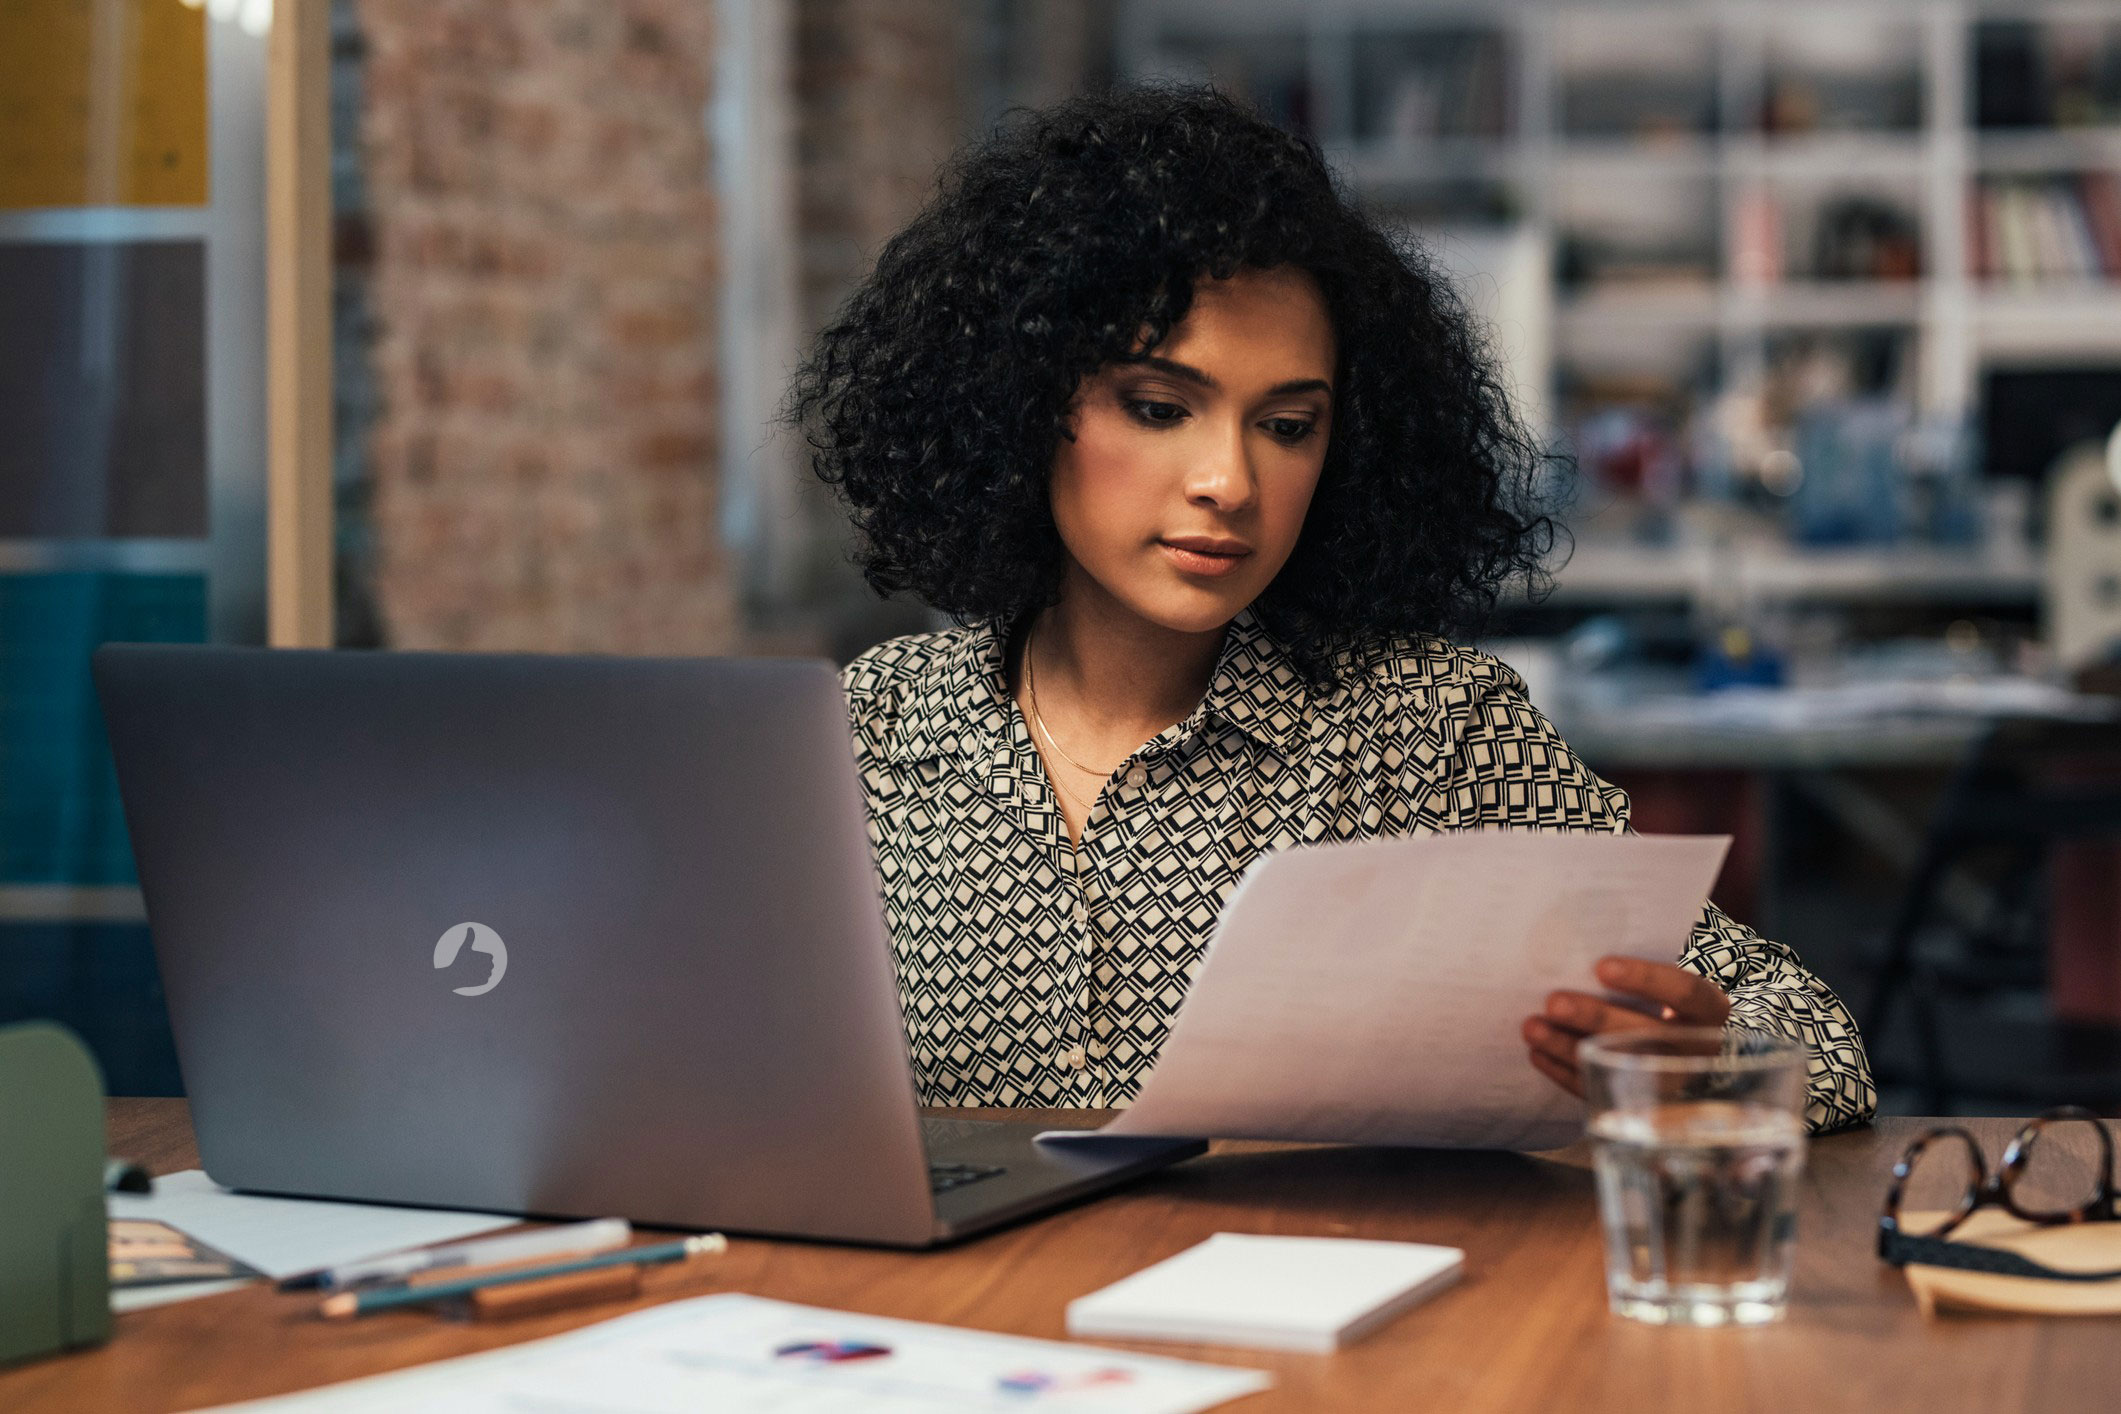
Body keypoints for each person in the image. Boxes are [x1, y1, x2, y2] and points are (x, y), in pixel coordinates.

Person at [789, 87, 1874, 1134]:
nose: (1229, 480)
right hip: (959, 1315)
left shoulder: (1433, 733)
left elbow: (1820, 1043)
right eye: (1161, 407)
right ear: (1019, 407)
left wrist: (1701, 1062)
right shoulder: (869, 729)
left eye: (1288, 425)